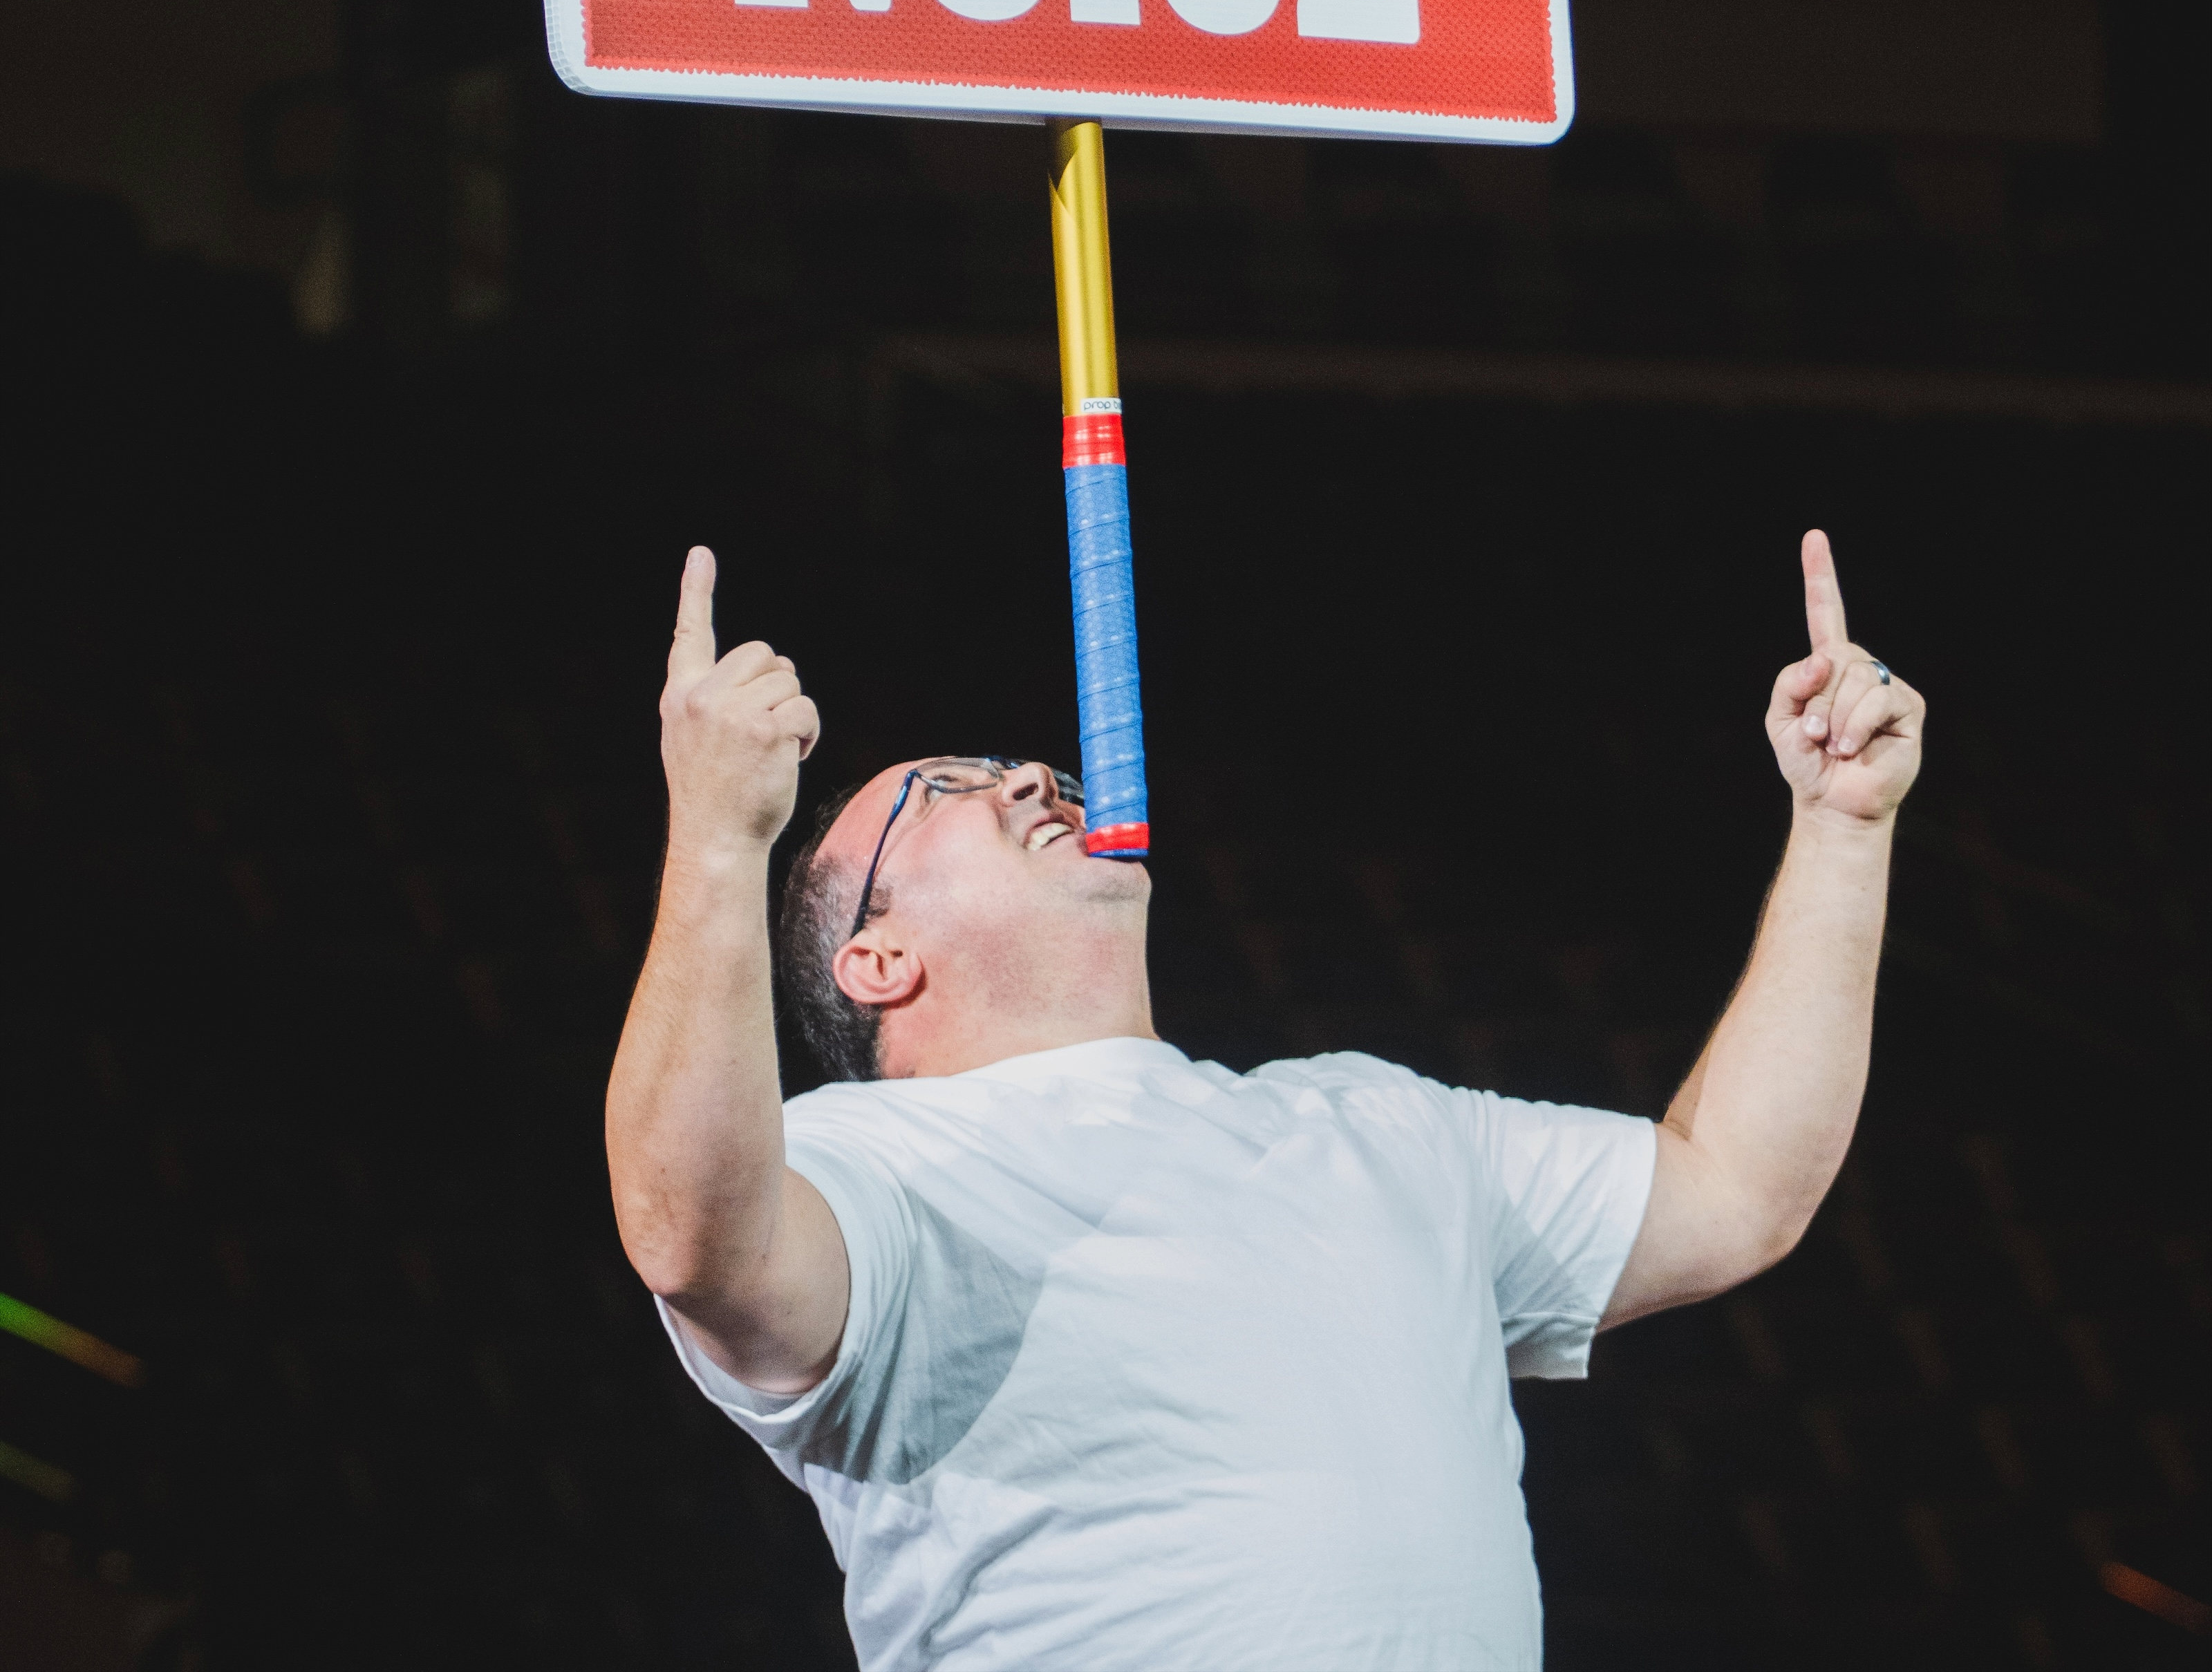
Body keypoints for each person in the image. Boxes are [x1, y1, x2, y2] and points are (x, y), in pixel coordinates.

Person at [608, 527, 1922, 1671]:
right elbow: (687, 1230)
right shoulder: (877, 1168)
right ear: (878, 961)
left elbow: (1735, 1189)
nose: (1026, 777)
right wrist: (718, 839)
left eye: (1014, 762)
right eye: (945, 790)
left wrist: (1846, 830)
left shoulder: (1372, 1121)